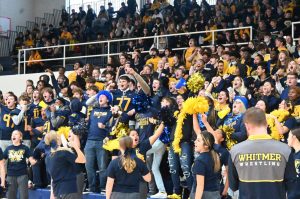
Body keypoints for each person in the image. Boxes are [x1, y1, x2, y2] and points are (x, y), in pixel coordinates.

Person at [228, 107, 296, 199]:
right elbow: (291, 186)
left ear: (246, 126)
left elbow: (233, 186)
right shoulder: (285, 150)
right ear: (267, 124)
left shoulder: (235, 151)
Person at [46, 131, 86, 199]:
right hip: (70, 189)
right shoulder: (64, 153)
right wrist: (75, 147)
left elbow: (52, 177)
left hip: (57, 191)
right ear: (57, 140)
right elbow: (83, 160)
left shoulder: (48, 157)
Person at [3, 130, 36, 199]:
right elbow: (2, 160)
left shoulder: (25, 148)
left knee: (24, 196)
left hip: (22, 175)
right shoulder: (8, 148)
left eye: (16, 134)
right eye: (12, 134)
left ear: (20, 137)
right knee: (10, 196)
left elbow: (31, 159)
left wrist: (33, 161)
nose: (13, 136)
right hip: (10, 175)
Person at [190, 131, 221, 199]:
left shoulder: (200, 161)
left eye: (198, 140)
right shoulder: (214, 157)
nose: (195, 142)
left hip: (204, 195)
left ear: (206, 145)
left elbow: (200, 186)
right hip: (215, 194)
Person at [287, 128, 300, 199]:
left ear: (294, 137)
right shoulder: (291, 155)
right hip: (292, 195)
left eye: (289, 136)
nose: (287, 139)